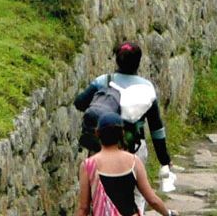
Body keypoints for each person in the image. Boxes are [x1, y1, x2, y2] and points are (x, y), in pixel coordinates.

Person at [75, 42, 176, 202]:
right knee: (136, 195)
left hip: (102, 148)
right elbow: (156, 128)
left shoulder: (103, 81)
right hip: (134, 147)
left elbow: (79, 103)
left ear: (117, 60)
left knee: (101, 196)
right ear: (138, 62)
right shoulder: (146, 88)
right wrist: (164, 159)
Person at [77, 113, 176, 216]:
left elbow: (83, 208)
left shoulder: (88, 165)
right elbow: (152, 200)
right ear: (122, 133)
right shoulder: (133, 161)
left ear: (97, 133)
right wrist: (168, 213)